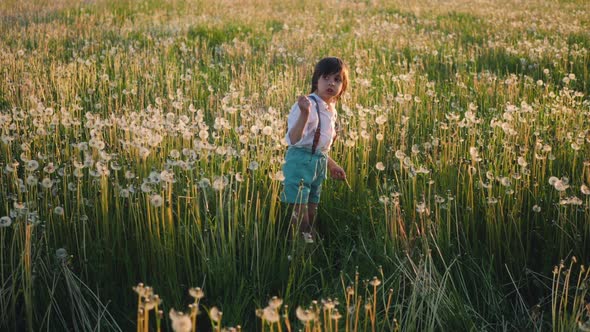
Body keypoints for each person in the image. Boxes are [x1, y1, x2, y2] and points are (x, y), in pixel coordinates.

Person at [281, 57, 349, 243]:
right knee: (300, 217)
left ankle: (310, 247)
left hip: (318, 165)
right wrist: (304, 114)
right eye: (325, 77)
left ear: (343, 87)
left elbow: (320, 148)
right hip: (299, 163)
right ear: (316, 80)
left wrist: (332, 165)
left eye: (337, 79)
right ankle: (298, 252)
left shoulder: (331, 110)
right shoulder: (306, 105)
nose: (331, 83)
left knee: (312, 214)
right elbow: (293, 139)